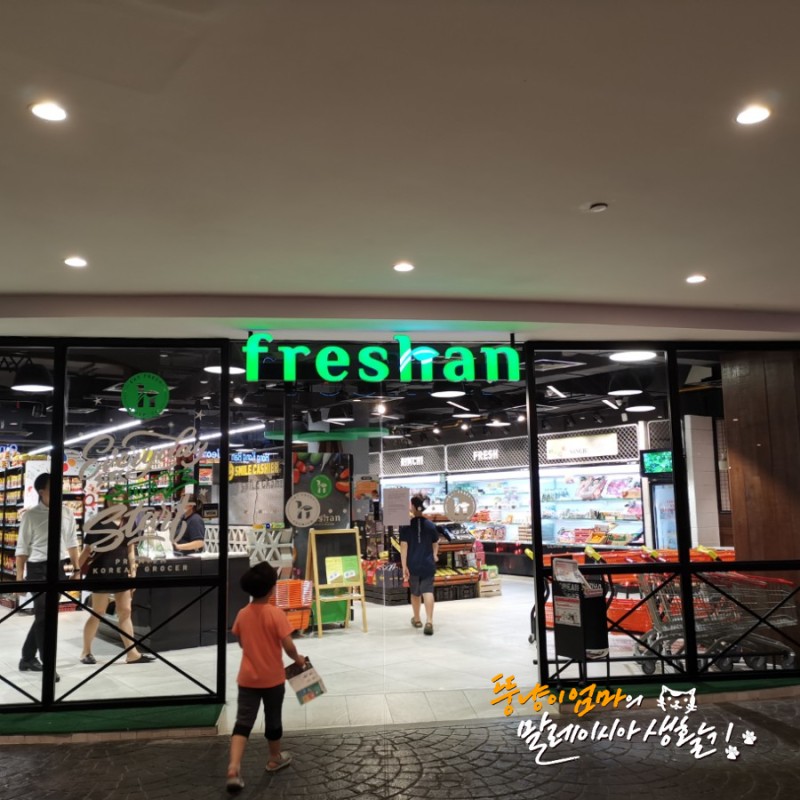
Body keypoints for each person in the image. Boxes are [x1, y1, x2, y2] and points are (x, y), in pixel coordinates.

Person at [226, 562, 306, 793]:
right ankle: (274, 758)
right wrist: (298, 659)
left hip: (247, 680)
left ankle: (233, 767)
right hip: (272, 680)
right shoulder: (276, 614)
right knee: (273, 719)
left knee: (243, 722)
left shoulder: (242, 614)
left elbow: (242, 642)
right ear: (272, 588)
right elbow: (288, 646)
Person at [15, 472, 81, 680]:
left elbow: (72, 542)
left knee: (45, 616)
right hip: (37, 569)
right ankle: (48, 665)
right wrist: (19, 578)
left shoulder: (67, 513)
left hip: (59, 568)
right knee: (45, 617)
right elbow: (22, 548)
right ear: (41, 491)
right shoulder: (30, 515)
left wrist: (77, 569)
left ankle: (27, 658)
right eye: (54, 488)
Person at [78, 507, 155, 666]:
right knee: (98, 612)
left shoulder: (129, 523)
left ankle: (132, 654)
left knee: (125, 611)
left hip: (122, 573)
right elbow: (87, 550)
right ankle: (85, 651)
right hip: (101, 573)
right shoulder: (98, 522)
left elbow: (130, 549)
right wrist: (75, 570)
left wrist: (133, 572)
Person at [400, 495, 440, 636]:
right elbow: (435, 543)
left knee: (415, 593)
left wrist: (404, 566)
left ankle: (417, 619)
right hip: (428, 564)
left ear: (412, 506)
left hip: (413, 564)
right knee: (428, 591)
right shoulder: (430, 525)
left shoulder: (406, 526)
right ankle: (429, 622)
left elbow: (403, 547)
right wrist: (434, 554)